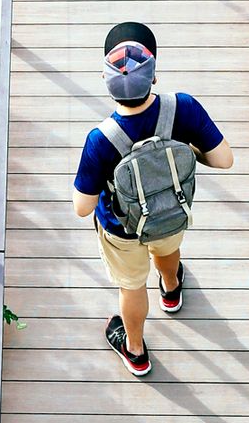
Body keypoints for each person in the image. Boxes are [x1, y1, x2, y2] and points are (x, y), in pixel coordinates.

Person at [72, 19, 234, 378]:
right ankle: (172, 290)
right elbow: (224, 159)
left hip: (122, 228)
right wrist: (188, 151)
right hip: (171, 212)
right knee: (166, 250)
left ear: (106, 83)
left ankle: (135, 352)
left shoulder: (101, 139)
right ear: (155, 76)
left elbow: (82, 207)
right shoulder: (184, 108)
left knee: (131, 286)